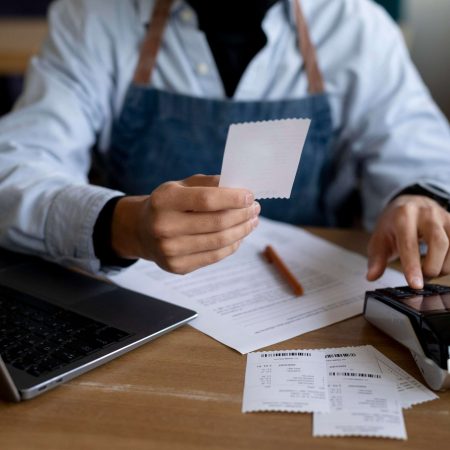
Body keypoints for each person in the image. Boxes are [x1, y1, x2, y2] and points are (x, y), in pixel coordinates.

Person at [0, 0, 449, 290]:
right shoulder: (93, 18)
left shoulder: (357, 27)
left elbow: (425, 156)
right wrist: (124, 226)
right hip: (136, 310)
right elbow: (13, 170)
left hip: (310, 311)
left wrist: (418, 199)